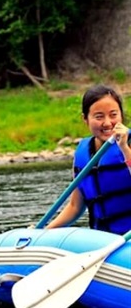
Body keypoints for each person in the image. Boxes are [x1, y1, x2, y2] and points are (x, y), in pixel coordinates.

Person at [45, 84, 131, 234]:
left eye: (113, 115)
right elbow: (75, 207)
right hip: (103, 240)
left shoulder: (128, 143)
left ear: (121, 116)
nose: (107, 122)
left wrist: (124, 147)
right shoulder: (83, 153)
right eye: (99, 117)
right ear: (85, 119)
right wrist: (43, 232)